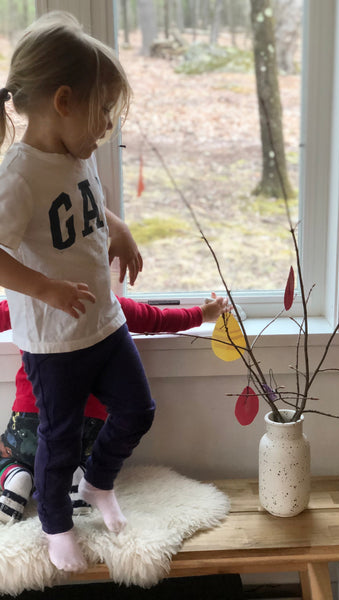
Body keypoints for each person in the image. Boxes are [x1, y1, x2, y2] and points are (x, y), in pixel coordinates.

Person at [0, 11, 167, 573]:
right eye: (102, 113)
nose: (106, 129)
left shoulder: (76, 155)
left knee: (138, 409)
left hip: (104, 323)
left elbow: (87, 202)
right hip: (54, 343)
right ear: (63, 101)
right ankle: (53, 525)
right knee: (59, 438)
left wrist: (118, 229)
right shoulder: (20, 175)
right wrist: (41, 287)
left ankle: (97, 485)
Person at [0, 294, 229, 524]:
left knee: (10, 454)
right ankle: (77, 475)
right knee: (85, 453)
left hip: (31, 416)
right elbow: (157, 319)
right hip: (86, 426)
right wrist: (202, 313)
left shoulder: (27, 300)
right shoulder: (107, 301)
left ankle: (16, 473)